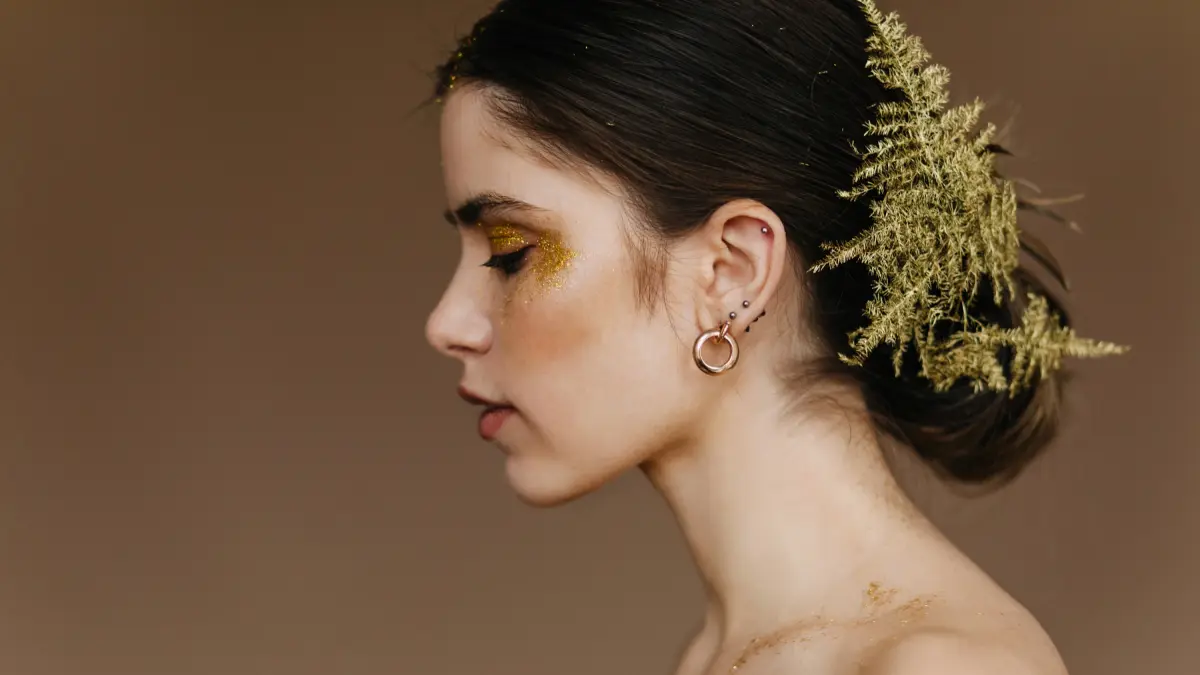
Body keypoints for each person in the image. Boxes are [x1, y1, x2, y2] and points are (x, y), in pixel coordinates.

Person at [424, 1, 1125, 673]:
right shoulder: (724, 655)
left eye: (510, 253)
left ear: (732, 273)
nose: (446, 323)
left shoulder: (939, 666)